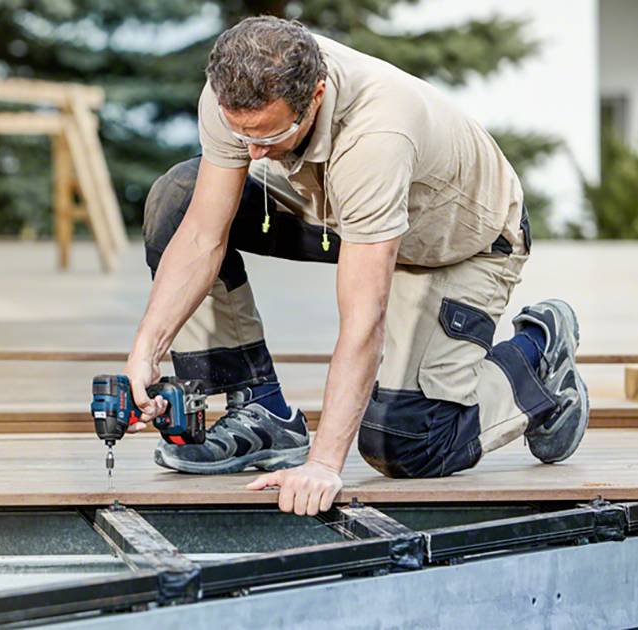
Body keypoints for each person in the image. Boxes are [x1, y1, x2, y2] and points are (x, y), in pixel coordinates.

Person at [124, 16, 589, 516]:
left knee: (405, 442)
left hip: (461, 244)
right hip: (345, 212)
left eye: (269, 135)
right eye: (241, 133)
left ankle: (538, 360)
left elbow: (364, 317)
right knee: (179, 199)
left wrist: (324, 463)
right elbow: (200, 236)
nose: (252, 151)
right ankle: (259, 409)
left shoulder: (377, 135)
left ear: (316, 95)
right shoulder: (236, 94)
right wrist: (147, 348)